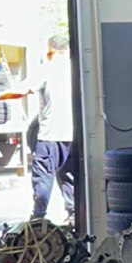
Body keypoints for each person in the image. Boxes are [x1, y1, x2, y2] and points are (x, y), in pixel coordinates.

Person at [29, 33, 78, 222]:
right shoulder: (77, 68)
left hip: (50, 135)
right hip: (73, 135)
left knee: (43, 175)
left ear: (50, 50)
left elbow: (25, 89)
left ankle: (38, 217)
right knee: (69, 176)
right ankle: (74, 214)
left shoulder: (47, 69)